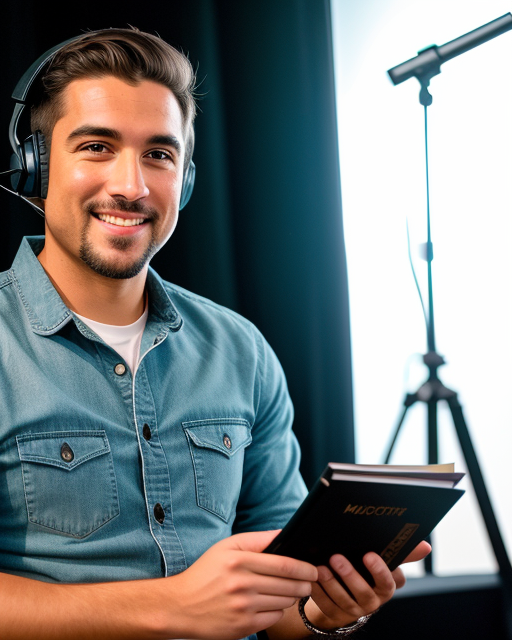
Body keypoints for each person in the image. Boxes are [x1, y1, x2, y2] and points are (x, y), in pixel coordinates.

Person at [0, 28, 430, 640]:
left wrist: (322, 611)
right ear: (35, 167)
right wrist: (170, 605)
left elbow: (283, 605)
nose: (133, 185)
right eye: (96, 147)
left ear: (186, 178)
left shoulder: (241, 350)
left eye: (159, 154)